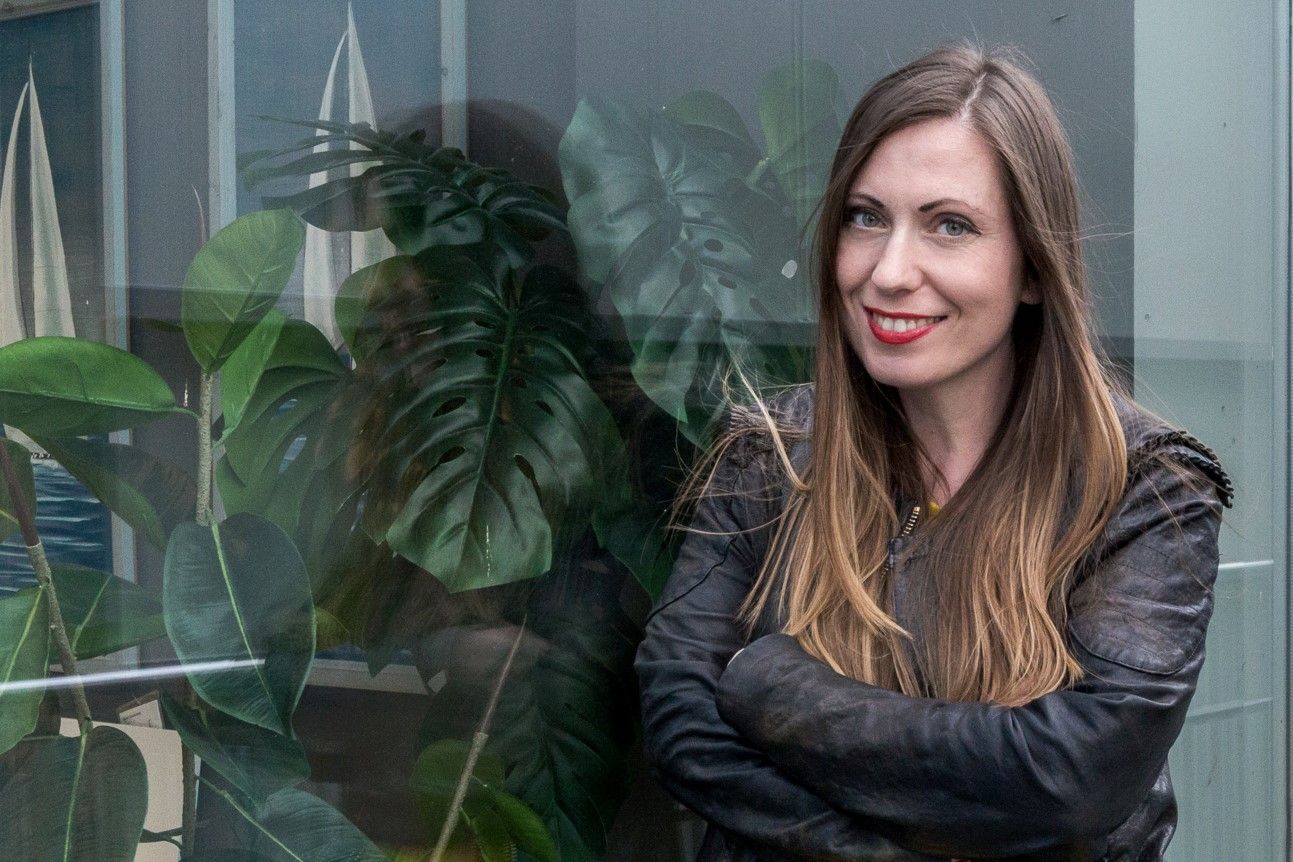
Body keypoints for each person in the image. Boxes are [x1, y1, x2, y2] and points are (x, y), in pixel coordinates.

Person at [634, 42, 1233, 862]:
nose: (889, 271)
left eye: (950, 226)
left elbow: (1073, 778)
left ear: (1032, 268)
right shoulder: (770, 454)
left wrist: (768, 685)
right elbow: (683, 728)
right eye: (865, 217)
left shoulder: (1142, 489)